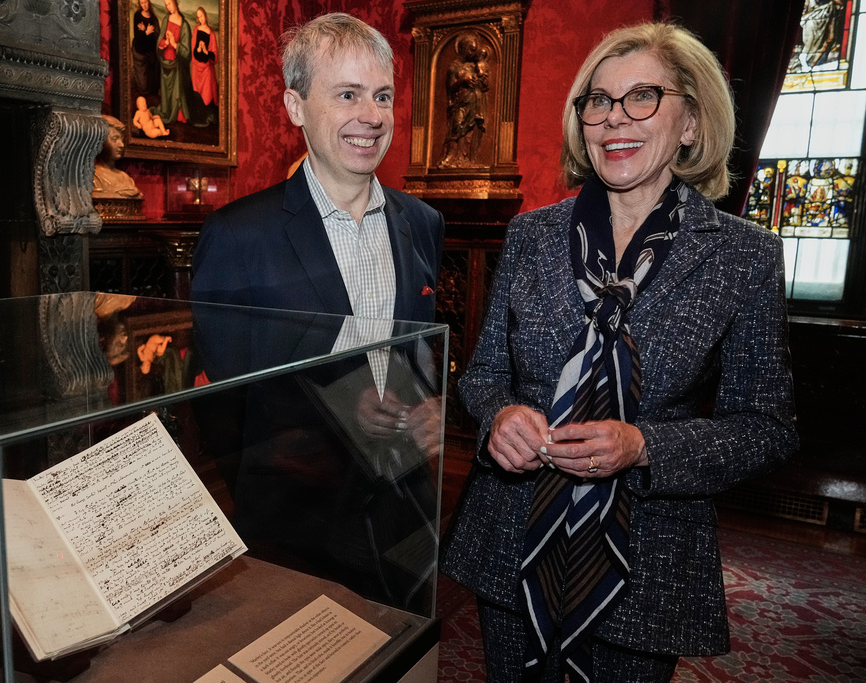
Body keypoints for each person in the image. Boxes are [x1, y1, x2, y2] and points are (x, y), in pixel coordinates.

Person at [441, 23, 797, 683]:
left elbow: (769, 427)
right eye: (598, 102)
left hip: (648, 561)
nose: (614, 120)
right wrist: (497, 418)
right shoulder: (530, 235)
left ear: (690, 120)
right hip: (512, 541)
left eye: (642, 98)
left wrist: (644, 446)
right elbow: (483, 375)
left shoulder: (744, 256)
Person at [191, 12, 445, 612]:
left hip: (404, 505)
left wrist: (430, 406)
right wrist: (333, 411)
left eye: (382, 95)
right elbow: (223, 403)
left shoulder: (423, 223)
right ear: (295, 106)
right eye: (348, 94)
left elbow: (418, 349)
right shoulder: (238, 236)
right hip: (292, 519)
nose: (372, 116)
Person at [440, 32, 490, 167]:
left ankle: (466, 160)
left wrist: (481, 80)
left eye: (475, 50)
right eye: (471, 49)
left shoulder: (475, 66)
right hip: (460, 103)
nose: (473, 53)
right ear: (463, 49)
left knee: (470, 132)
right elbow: (450, 86)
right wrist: (463, 80)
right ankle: (450, 158)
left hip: (474, 104)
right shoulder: (454, 67)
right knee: (457, 128)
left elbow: (485, 86)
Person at [155, 0, 192, 126]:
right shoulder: (166, 19)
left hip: (177, 65)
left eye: (170, 3)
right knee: (166, 91)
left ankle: (177, 113)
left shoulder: (184, 25)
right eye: (166, 4)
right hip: (165, 62)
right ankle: (166, 110)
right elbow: (160, 39)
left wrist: (175, 44)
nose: (168, 7)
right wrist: (164, 43)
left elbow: (187, 52)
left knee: (176, 92)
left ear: (176, 3)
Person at [93, 115, 143, 199]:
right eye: (115, 139)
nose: (121, 145)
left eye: (121, 139)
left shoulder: (126, 178)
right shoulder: (93, 177)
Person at [190, 6, 219, 127]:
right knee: (196, 93)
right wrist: (198, 49)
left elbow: (214, 55)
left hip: (206, 68)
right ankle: (198, 118)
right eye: (198, 17)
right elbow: (193, 50)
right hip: (197, 67)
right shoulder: (196, 30)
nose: (200, 19)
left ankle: (207, 118)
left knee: (206, 94)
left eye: (201, 16)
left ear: (205, 16)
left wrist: (206, 52)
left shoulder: (211, 33)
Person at [131, 0, 161, 97]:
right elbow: (138, 38)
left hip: (151, 53)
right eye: (142, 3)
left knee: (152, 84)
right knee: (143, 86)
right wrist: (147, 33)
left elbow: (156, 37)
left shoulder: (153, 18)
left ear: (149, 2)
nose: (144, 5)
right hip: (140, 52)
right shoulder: (137, 16)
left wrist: (145, 32)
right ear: (140, 4)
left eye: (146, 2)